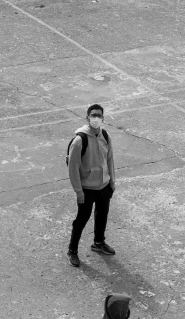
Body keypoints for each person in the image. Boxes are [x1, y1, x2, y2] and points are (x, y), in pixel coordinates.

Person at [67, 103, 116, 267]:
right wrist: (79, 192)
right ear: (87, 117)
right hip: (87, 190)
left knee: (102, 216)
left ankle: (99, 243)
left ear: (103, 118)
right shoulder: (80, 140)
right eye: (93, 115)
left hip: (104, 187)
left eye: (99, 115)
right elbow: (73, 168)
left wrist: (112, 182)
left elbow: (109, 159)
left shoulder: (105, 136)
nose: (96, 118)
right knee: (81, 220)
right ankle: (72, 251)